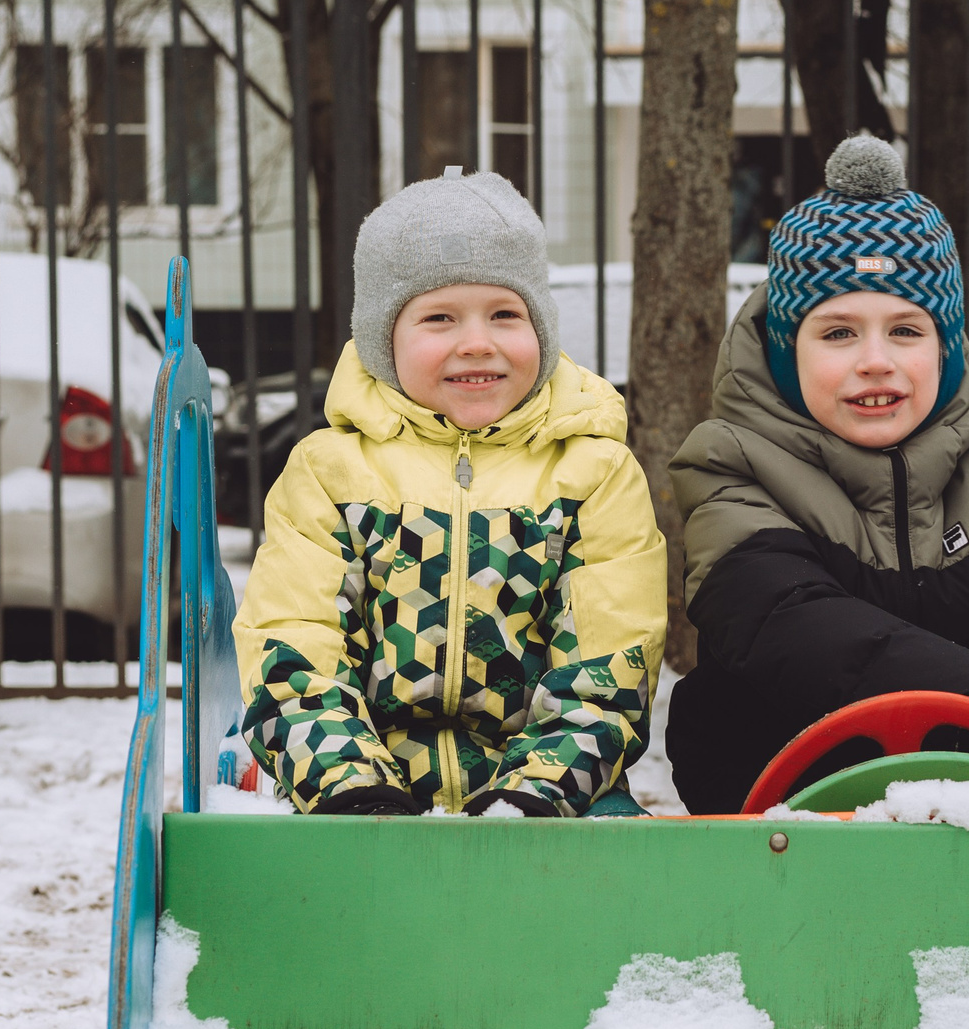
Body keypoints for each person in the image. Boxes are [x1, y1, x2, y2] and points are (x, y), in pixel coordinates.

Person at [665, 134, 969, 815]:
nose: (876, 360)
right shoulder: (731, 458)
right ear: (785, 352)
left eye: (906, 330)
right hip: (782, 796)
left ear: (946, 348)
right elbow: (784, 618)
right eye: (838, 333)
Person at [234, 168, 665, 817]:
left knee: (622, 869)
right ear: (384, 339)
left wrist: (537, 791)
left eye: (505, 314)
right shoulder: (331, 474)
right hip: (360, 793)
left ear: (541, 329)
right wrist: (348, 785)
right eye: (439, 317)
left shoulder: (592, 472)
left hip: (553, 800)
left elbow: (610, 667)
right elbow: (294, 646)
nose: (477, 343)